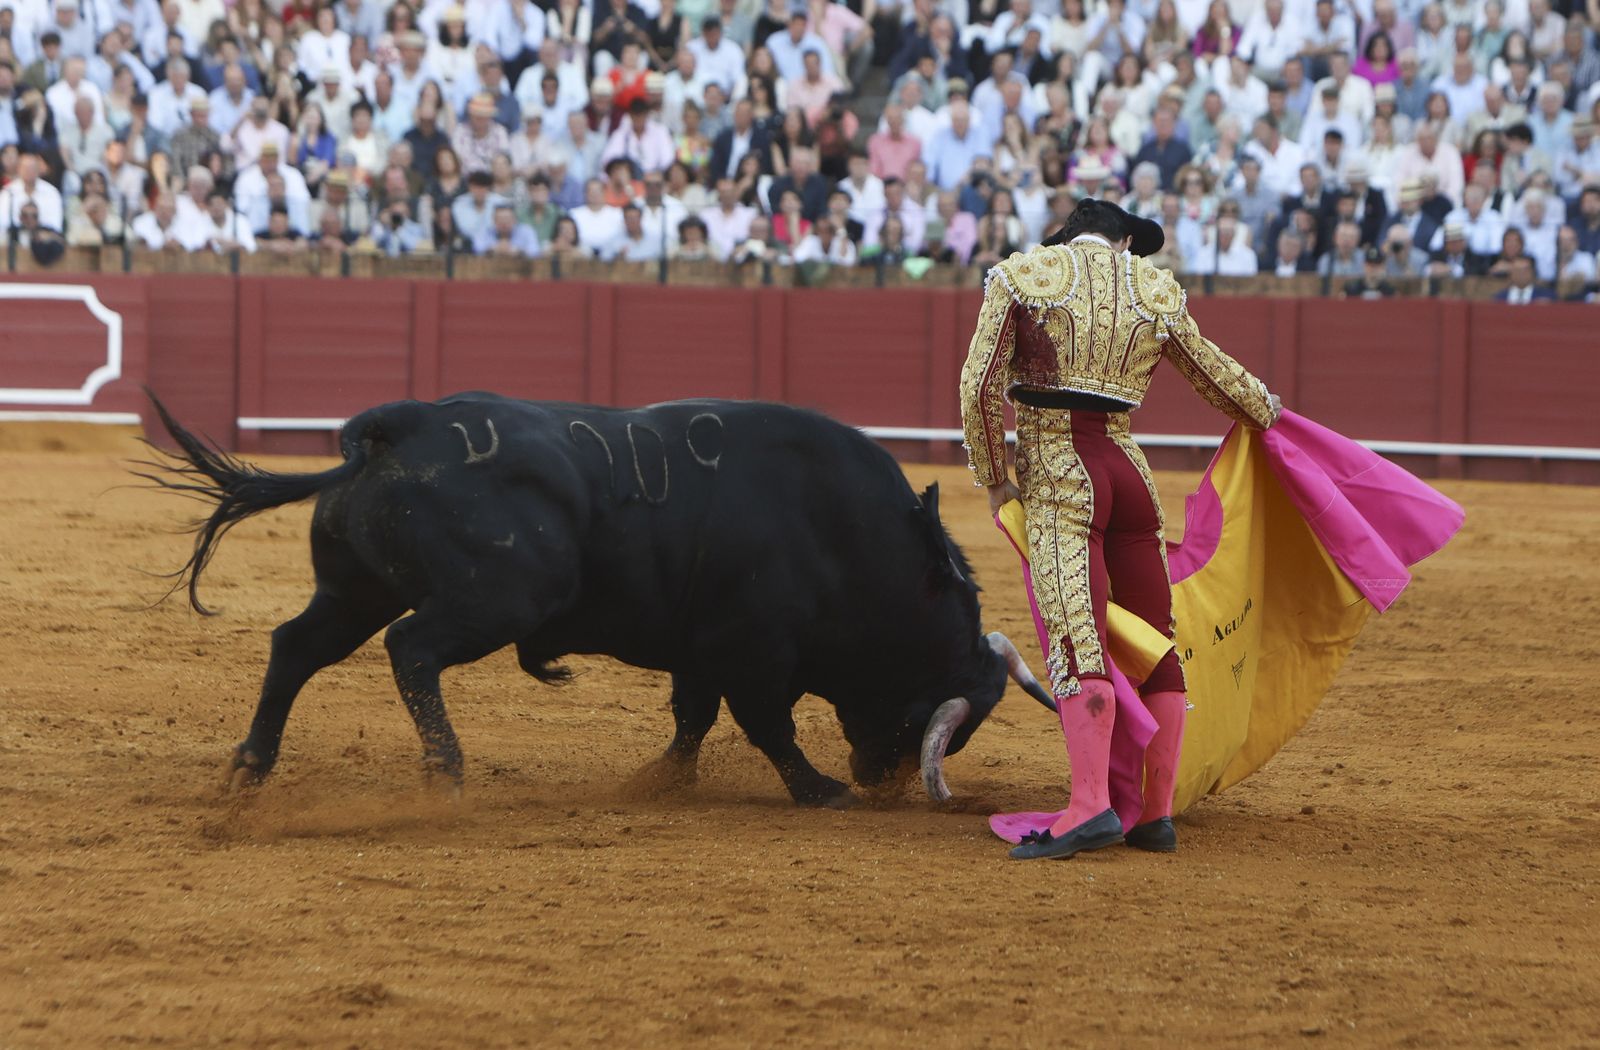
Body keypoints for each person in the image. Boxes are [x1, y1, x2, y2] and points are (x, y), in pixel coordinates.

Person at [959, 197, 1280, 861]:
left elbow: (978, 384)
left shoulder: (1023, 274)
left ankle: (1088, 808)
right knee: (1155, 641)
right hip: (1130, 476)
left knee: (1079, 637)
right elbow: (1216, 375)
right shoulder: (1153, 288)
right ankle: (1154, 815)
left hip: (1060, 468)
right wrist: (1268, 411)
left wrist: (994, 477)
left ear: (1068, 238)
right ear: (1125, 240)